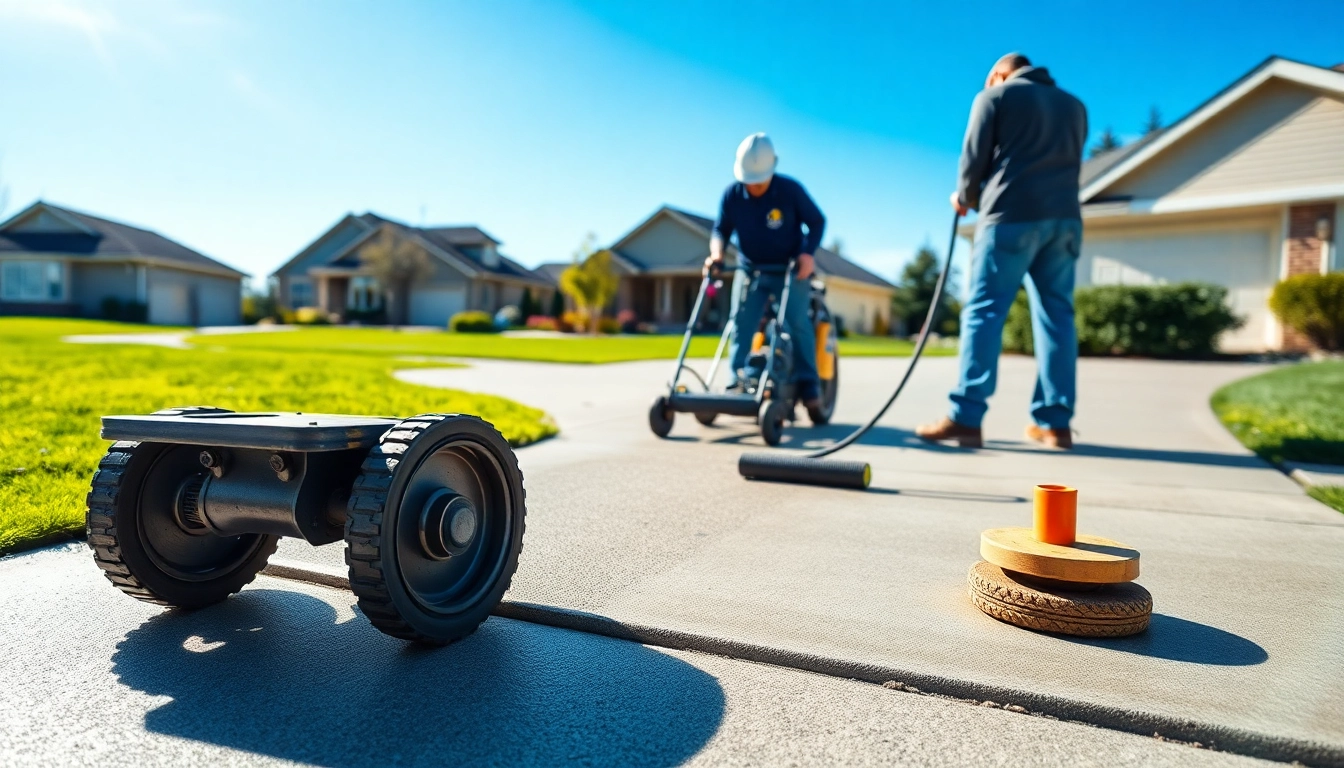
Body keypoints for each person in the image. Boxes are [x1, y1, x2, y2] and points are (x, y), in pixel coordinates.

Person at [916, 52, 1088, 450]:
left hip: (1010, 217)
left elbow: (973, 158)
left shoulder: (993, 97)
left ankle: (966, 416)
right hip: (1064, 220)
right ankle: (1055, 424)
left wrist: (965, 197)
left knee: (984, 312)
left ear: (998, 74)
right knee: (1057, 316)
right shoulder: (1075, 106)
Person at [704, 133, 826, 409]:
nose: (754, 187)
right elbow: (720, 230)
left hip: (790, 271)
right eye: (749, 181)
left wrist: (807, 254)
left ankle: (809, 384)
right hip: (750, 269)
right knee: (741, 323)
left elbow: (817, 221)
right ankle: (738, 381)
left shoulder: (790, 191)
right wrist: (716, 254)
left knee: (796, 323)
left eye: (759, 182)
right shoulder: (732, 195)